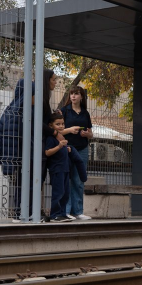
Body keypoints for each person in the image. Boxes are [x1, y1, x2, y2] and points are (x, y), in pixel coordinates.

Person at [0, 70, 56, 220]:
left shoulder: (15, 109)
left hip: (28, 153)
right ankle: (25, 212)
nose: (36, 98)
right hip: (30, 153)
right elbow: (34, 128)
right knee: (29, 184)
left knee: (26, 183)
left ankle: (25, 212)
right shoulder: (25, 110)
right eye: (34, 95)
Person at [43, 111, 87, 222]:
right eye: (58, 124)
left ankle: (63, 213)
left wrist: (66, 149)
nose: (61, 126)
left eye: (62, 124)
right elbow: (47, 152)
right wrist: (59, 146)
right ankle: (54, 214)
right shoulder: (51, 139)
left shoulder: (61, 137)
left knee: (65, 193)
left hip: (66, 170)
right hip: (57, 170)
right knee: (58, 193)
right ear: (51, 126)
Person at [62, 86, 93, 221]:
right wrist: (69, 130)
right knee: (67, 179)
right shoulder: (64, 111)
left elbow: (91, 134)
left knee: (79, 180)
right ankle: (66, 211)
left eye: (76, 94)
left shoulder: (85, 114)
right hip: (67, 149)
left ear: (81, 97)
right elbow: (57, 131)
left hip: (82, 149)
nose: (73, 96)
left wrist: (87, 134)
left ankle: (78, 211)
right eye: (71, 94)